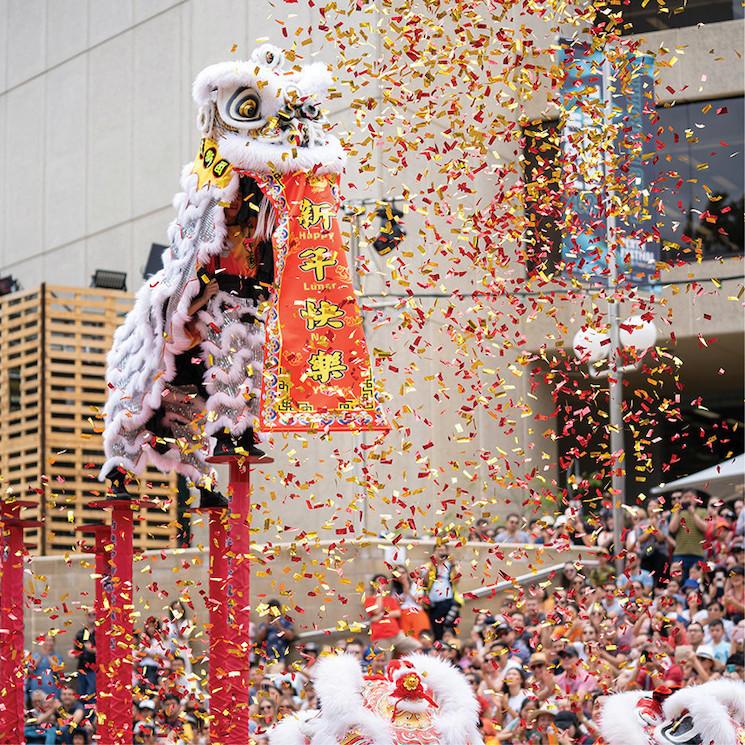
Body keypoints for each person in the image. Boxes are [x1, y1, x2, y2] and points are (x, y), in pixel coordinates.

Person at [363, 574, 420, 658]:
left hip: (396, 634)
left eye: (383, 582)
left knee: (417, 647)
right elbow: (376, 610)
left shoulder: (390, 599)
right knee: (384, 660)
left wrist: (381, 615)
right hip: (380, 636)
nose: (381, 584)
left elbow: (398, 613)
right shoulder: (368, 600)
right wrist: (379, 594)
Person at [422, 542, 463, 641]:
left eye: (443, 550)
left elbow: (457, 581)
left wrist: (453, 564)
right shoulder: (428, 565)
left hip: (449, 602)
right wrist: (433, 563)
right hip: (434, 605)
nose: (441, 553)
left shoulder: (452, 566)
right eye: (439, 550)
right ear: (434, 552)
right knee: (437, 631)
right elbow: (425, 581)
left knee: (450, 630)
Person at [668, 490, 708, 583]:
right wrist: (677, 512)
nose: (688, 499)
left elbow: (705, 528)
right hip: (680, 553)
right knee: (677, 581)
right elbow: (672, 529)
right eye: (685, 497)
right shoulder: (677, 513)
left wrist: (693, 513)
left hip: (697, 554)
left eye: (691, 497)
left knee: (696, 581)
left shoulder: (702, 511)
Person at [256, 599, 296, 664]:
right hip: (265, 659)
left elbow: (291, 636)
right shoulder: (264, 624)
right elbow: (259, 638)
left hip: (279, 658)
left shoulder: (285, 622)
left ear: (279, 609)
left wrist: (279, 627)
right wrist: (266, 625)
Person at [68, 611, 96, 702]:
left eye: (94, 614)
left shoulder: (101, 633)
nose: (91, 616)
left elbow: (107, 651)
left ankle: (91, 716)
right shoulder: (81, 633)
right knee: (82, 695)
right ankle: (83, 715)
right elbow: (78, 652)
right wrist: (73, 654)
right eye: (89, 614)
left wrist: (93, 650)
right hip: (82, 669)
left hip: (95, 670)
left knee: (91, 696)